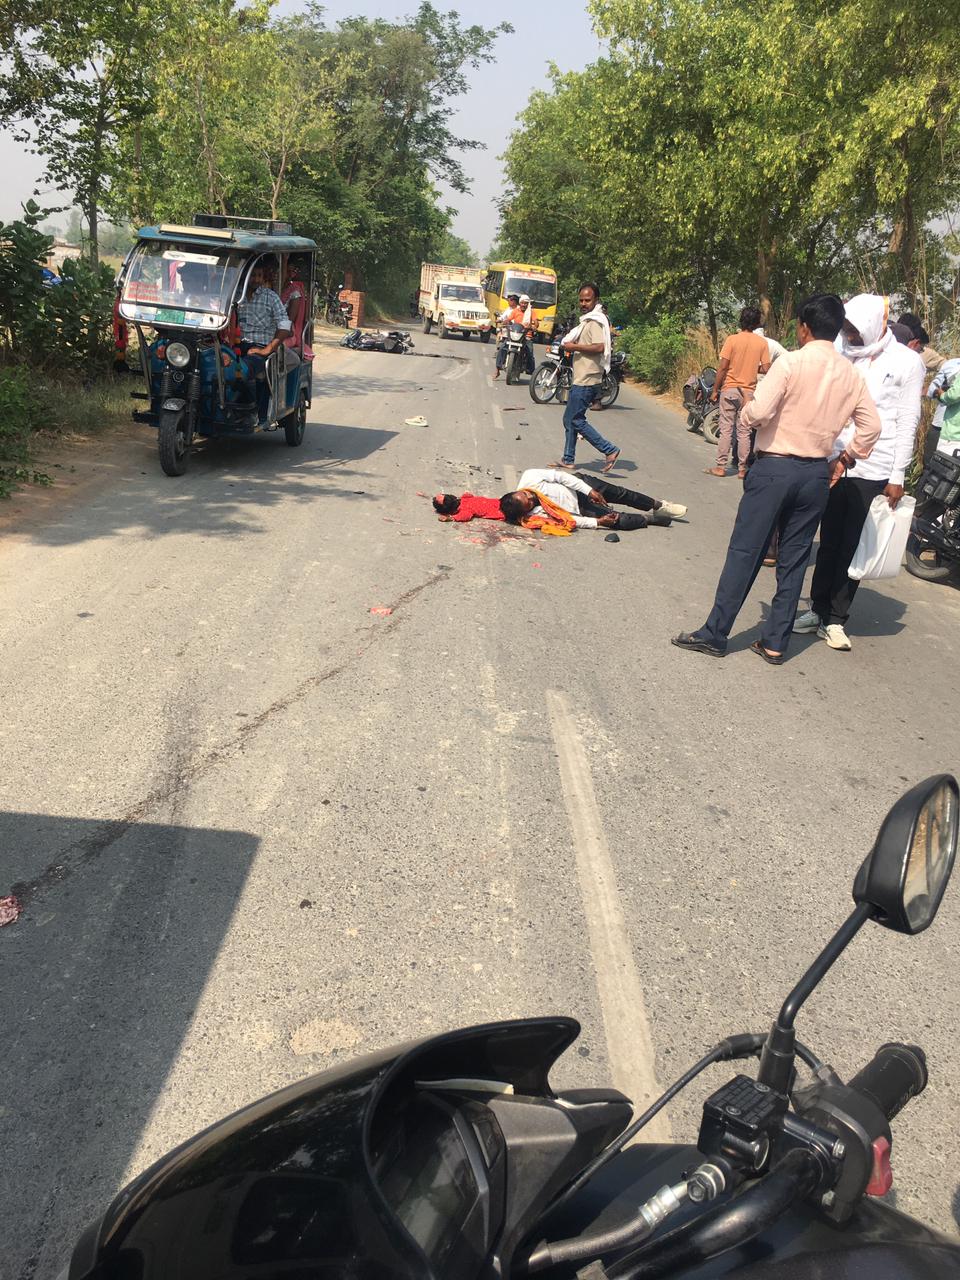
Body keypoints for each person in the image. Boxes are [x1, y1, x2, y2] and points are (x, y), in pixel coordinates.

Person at [672, 294, 881, 664]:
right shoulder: (851, 375)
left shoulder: (791, 363)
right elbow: (872, 427)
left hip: (775, 468)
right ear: (835, 330)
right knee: (795, 558)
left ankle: (715, 633)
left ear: (803, 328)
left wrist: (747, 411)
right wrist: (844, 458)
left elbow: (758, 413)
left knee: (745, 551)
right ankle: (775, 642)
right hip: (815, 474)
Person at [793, 294, 923, 652]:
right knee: (829, 540)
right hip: (834, 459)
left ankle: (836, 619)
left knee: (853, 544)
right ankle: (817, 609)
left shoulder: (907, 362)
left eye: (853, 329)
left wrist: (897, 475)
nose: (848, 334)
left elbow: (907, 420)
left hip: (874, 465)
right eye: (845, 328)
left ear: (870, 325)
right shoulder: (840, 352)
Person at [499, 468, 684, 535]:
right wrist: (598, 522)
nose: (531, 498)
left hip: (579, 485)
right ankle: (648, 519)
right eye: (529, 503)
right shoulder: (533, 516)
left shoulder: (529, 476)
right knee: (619, 521)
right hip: (580, 509)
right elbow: (568, 520)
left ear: (518, 491)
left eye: (526, 495)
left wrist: (589, 491)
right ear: (526, 510)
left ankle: (659, 506)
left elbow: (562, 477)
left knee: (620, 493)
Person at [556, 282, 620, 472]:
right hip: (582, 377)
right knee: (569, 419)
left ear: (596, 300)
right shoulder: (588, 320)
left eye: (587, 300)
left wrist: (574, 346)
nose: (583, 304)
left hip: (587, 379)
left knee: (575, 420)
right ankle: (568, 458)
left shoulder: (595, 322)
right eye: (581, 300)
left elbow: (600, 346)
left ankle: (609, 450)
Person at [706, 306, 770, 478]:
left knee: (726, 429)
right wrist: (752, 367)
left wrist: (715, 390)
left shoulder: (732, 340)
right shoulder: (762, 343)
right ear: (757, 323)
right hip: (748, 393)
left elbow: (722, 368)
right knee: (744, 432)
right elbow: (766, 368)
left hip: (730, 390)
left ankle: (720, 467)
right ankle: (742, 469)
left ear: (741, 320)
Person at [236, 259, 291, 424]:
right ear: (245, 276)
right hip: (236, 345)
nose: (256, 279)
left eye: (259, 275)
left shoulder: (270, 297)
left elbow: (285, 325)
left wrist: (268, 349)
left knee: (244, 369)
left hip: (259, 348)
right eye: (252, 275)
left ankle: (251, 411)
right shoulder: (235, 295)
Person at [493, 292, 523, 379]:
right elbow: (504, 318)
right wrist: (500, 320)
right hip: (509, 334)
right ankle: (497, 370)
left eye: (509, 301)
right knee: (502, 349)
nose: (508, 302)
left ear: (514, 302)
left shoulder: (519, 310)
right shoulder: (509, 309)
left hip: (519, 334)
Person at [433, 493, 505, 522]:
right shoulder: (464, 502)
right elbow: (468, 495)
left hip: (501, 509)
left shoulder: (465, 507)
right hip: (500, 505)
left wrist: (450, 518)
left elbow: (465, 516)